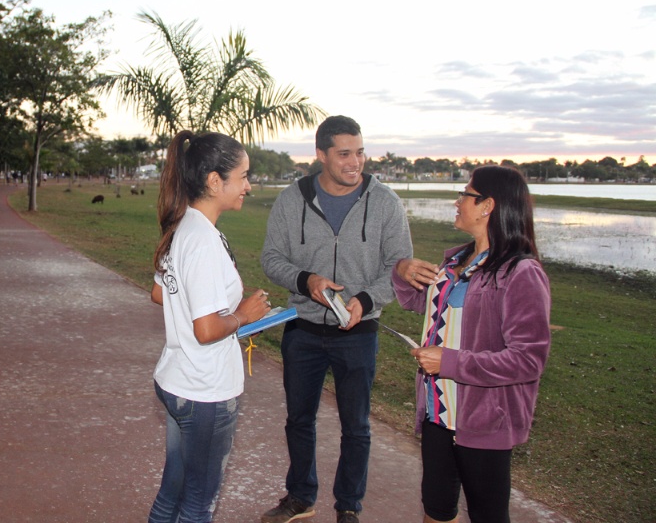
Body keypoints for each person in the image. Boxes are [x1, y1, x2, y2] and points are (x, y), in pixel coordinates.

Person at [260, 115, 413, 523]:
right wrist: (306, 280)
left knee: (357, 426)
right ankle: (300, 497)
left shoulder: (385, 202)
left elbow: (399, 268)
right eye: (344, 153)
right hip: (303, 330)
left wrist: (366, 299)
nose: (355, 162)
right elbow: (271, 259)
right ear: (321, 155)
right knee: (298, 420)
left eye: (360, 152)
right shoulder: (293, 199)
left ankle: (349, 506)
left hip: (359, 333)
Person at [392, 165, 551, 523]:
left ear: (487, 205)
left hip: (485, 420)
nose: (457, 200)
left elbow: (528, 360)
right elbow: (418, 302)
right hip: (438, 412)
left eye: (465, 193)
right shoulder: (456, 261)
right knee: (436, 509)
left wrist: (450, 362)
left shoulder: (521, 272)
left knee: (488, 515)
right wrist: (402, 271)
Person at [148, 130, 273, 523]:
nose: (248, 187)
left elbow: (159, 293)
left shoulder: (185, 226)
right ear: (215, 181)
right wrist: (243, 316)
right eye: (243, 176)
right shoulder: (200, 239)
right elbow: (204, 331)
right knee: (197, 505)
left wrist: (225, 306)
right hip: (204, 391)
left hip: (180, 379)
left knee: (173, 493)